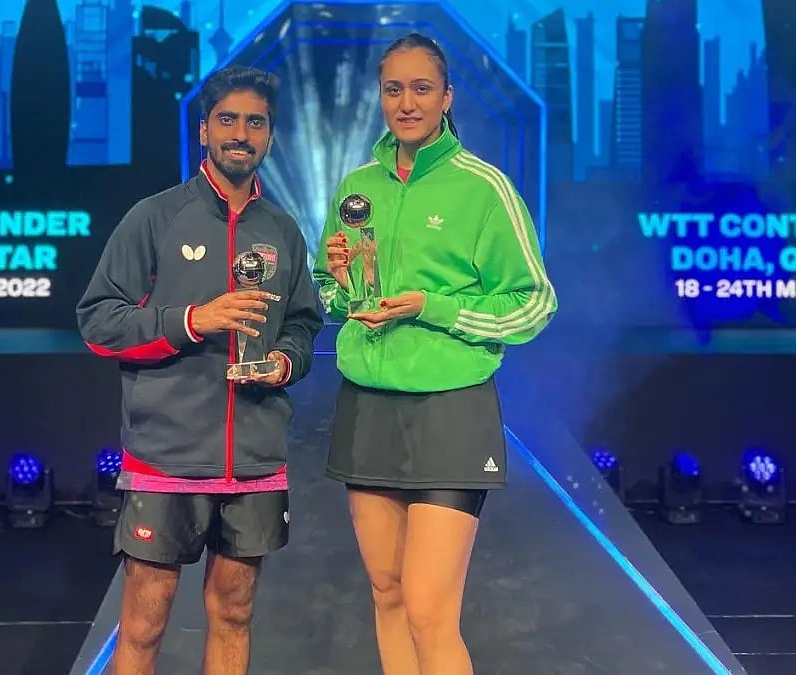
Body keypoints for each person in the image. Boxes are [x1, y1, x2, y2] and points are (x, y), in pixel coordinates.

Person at [312, 33, 557, 675]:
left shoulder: (483, 188)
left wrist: (435, 307)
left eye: (422, 88)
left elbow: (534, 304)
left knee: (428, 610)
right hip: (367, 407)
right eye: (394, 89)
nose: (407, 102)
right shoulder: (357, 186)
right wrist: (338, 281)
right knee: (388, 595)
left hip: (451, 410)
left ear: (446, 98)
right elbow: (333, 292)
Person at [77, 65, 324, 675]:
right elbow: (99, 321)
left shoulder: (283, 231)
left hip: (255, 460)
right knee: (143, 621)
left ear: (270, 137)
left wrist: (285, 360)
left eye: (256, 122)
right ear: (204, 132)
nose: (242, 133)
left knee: (235, 614)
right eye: (228, 120)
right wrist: (193, 319)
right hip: (167, 457)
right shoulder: (155, 218)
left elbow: (303, 321)